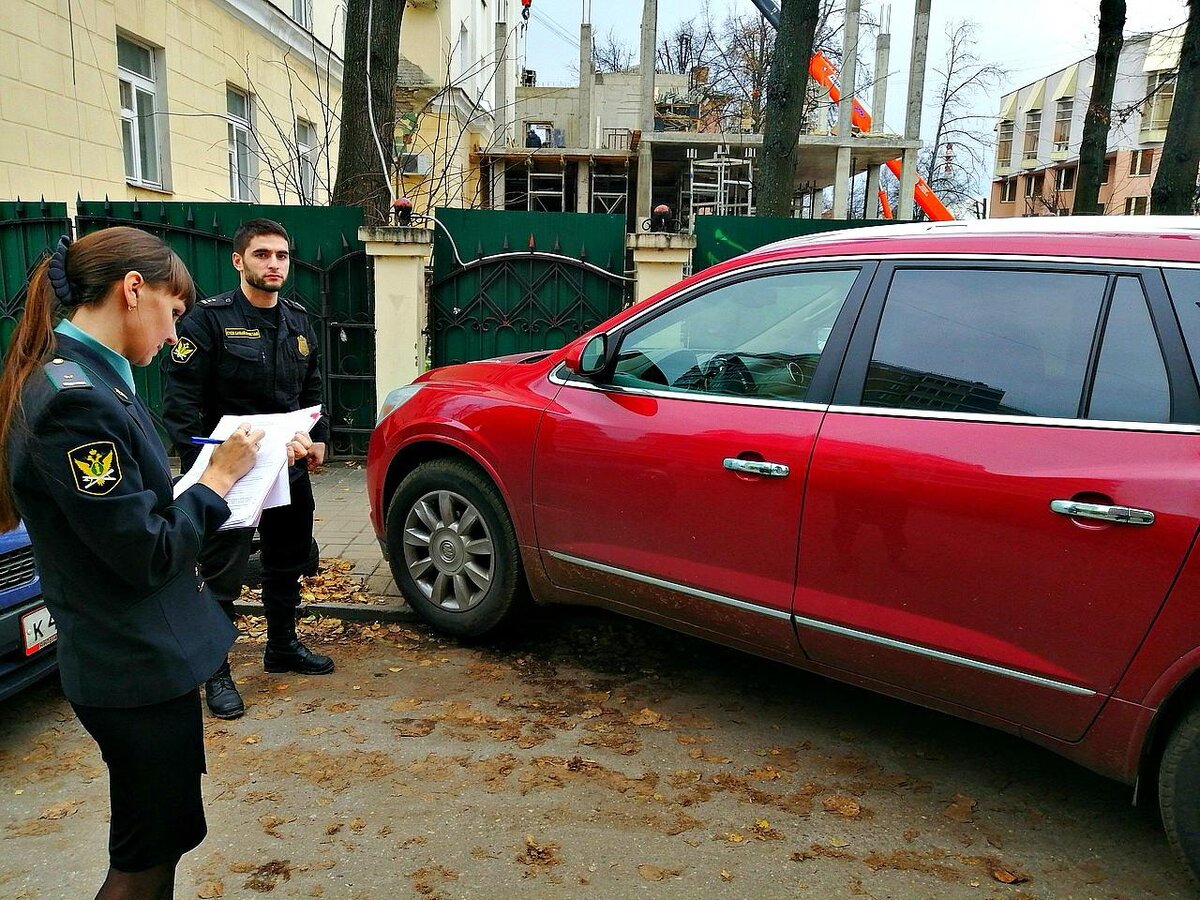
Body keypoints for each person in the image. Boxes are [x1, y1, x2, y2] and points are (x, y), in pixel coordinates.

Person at [0, 227, 278, 899]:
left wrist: (241, 469)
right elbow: (145, 552)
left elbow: (134, 512)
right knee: (145, 858)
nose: (175, 333)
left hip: (142, 660)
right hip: (131, 668)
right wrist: (218, 479)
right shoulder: (76, 402)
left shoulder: (88, 378)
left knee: (166, 837)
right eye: (173, 311)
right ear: (133, 290)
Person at [162, 218, 334, 721]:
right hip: (230, 474)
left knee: (288, 560)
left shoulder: (298, 321)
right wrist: (206, 465)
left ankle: (281, 645)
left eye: (282, 255)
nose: (274, 264)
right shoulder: (207, 321)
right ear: (239, 260)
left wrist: (318, 439)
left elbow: (312, 389)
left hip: (287, 467)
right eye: (262, 254)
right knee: (221, 572)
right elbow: (181, 405)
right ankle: (216, 670)